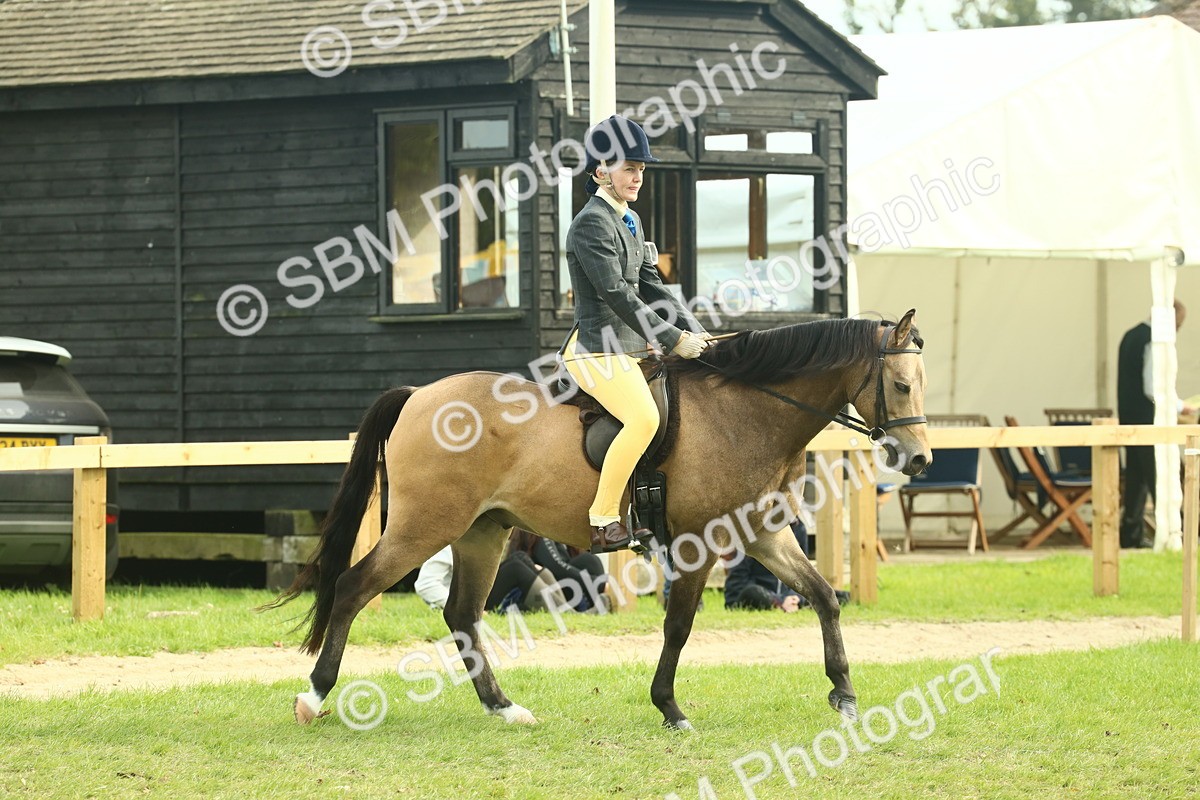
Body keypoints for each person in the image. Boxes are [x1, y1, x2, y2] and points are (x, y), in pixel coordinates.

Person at [560, 114, 710, 554]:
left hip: (628, 349)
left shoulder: (630, 221)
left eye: (642, 169)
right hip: (597, 349)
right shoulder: (590, 224)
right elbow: (617, 293)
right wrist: (673, 340)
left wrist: (701, 335)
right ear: (600, 171)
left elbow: (654, 288)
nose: (638, 176)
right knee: (644, 419)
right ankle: (604, 519)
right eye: (630, 167)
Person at [1116, 300, 1195, 548]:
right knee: (1160, 477)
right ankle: (1172, 533)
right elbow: (1153, 388)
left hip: (1129, 418)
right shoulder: (1153, 342)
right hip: (1149, 421)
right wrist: (1181, 406)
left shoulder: (1130, 335)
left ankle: (1131, 535)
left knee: (1136, 481)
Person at [723, 519, 850, 611]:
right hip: (751, 594)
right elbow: (739, 584)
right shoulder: (752, 529)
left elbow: (802, 574)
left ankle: (793, 604)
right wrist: (779, 599)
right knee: (753, 592)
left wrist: (793, 597)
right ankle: (784, 604)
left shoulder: (799, 528)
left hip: (786, 595)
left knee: (835, 595)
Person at [414, 545, 565, 614]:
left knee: (520, 557)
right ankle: (564, 611)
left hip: (472, 592)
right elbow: (424, 584)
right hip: (465, 602)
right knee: (515, 568)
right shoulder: (449, 543)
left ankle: (564, 606)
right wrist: (462, 608)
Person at [508, 529, 610, 612]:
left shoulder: (560, 533)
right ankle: (592, 609)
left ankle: (592, 608)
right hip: (536, 591)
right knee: (590, 562)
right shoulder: (539, 531)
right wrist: (599, 584)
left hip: (556, 589)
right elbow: (558, 568)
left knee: (589, 561)